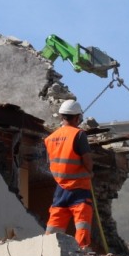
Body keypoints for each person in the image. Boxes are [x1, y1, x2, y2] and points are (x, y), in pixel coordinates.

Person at [44, 99, 95, 248]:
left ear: (61, 116)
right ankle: (82, 252)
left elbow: (51, 163)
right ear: (77, 117)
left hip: (60, 188)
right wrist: (90, 172)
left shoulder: (50, 138)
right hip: (79, 187)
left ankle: (49, 250)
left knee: (55, 222)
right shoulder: (78, 134)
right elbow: (87, 161)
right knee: (82, 222)